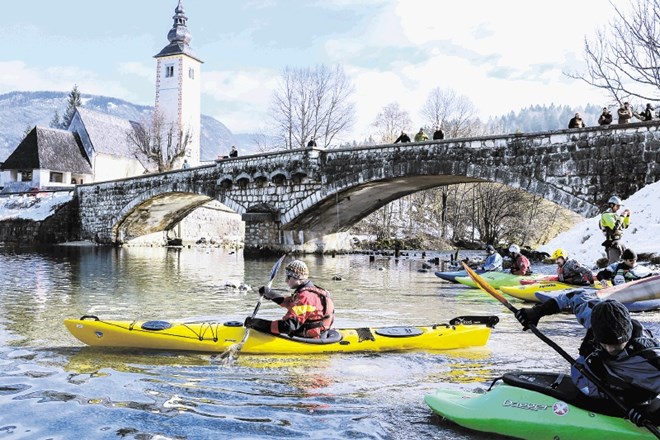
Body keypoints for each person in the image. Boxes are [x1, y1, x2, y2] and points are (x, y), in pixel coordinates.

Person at [515, 293, 660, 426]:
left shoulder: (652, 357)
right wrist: (537, 312)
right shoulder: (598, 316)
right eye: (605, 344)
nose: (610, 350)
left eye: (616, 347)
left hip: (626, 401)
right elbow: (573, 297)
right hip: (591, 384)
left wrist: (653, 415)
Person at [244, 260, 335, 339]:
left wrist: (258, 323)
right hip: (318, 332)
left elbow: (288, 326)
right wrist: (270, 294)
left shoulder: (306, 297)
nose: (286, 280)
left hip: (312, 337)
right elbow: (291, 303)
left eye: (288, 277)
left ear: (298, 278)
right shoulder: (309, 292)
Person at [599, 195, 630, 264]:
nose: (619, 208)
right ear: (612, 205)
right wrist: (622, 216)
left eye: (619, 206)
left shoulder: (615, 216)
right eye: (617, 206)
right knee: (614, 265)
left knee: (624, 262)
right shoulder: (606, 215)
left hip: (618, 242)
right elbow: (615, 227)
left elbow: (625, 225)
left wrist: (627, 216)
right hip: (612, 244)